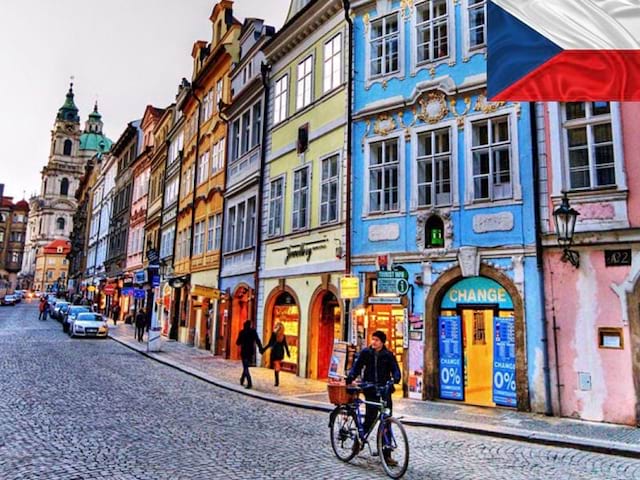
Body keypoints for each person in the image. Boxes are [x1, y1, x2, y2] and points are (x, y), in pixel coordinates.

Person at [346, 330, 401, 463]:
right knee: (370, 417)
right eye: (373, 339)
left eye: (376, 340)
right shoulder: (366, 352)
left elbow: (395, 369)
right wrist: (351, 377)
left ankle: (386, 453)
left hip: (384, 391)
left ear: (382, 342)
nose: (373, 342)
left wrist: (396, 378)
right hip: (370, 389)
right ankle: (359, 440)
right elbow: (357, 366)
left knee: (386, 420)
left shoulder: (388, 355)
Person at [235, 320, 263, 390]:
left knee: (245, 367)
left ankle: (249, 382)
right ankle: (242, 379)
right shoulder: (253, 332)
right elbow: (257, 340)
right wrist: (260, 348)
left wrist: (241, 341)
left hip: (244, 351)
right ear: (250, 325)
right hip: (250, 352)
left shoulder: (242, 332)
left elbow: (237, 342)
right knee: (246, 366)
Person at [263, 322, 290, 387]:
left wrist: (263, 349)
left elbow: (270, 343)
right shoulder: (283, 336)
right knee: (277, 364)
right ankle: (277, 378)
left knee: (276, 365)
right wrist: (288, 352)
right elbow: (285, 345)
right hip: (280, 351)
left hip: (275, 351)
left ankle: (277, 381)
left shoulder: (274, 334)